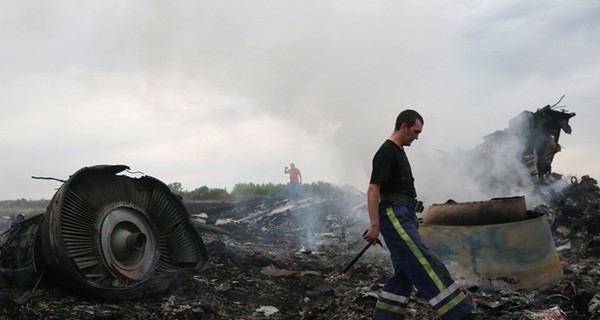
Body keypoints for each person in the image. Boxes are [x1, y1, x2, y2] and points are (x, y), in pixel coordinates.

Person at [364, 110, 475, 320]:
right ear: (403, 126)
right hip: (394, 215)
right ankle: (461, 315)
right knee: (426, 262)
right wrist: (374, 225)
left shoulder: (398, 151)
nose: (417, 137)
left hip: (405, 214)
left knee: (403, 273)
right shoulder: (386, 151)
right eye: (415, 131)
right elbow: (373, 190)